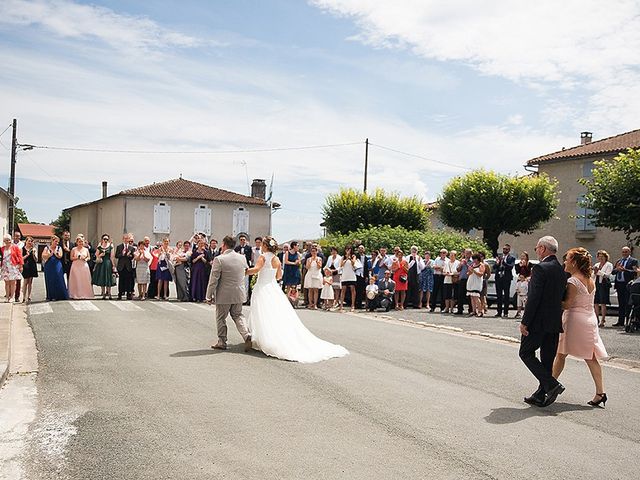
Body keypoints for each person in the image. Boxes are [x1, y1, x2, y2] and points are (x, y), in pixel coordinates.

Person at [245, 236, 349, 363]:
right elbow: (278, 276)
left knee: (261, 312)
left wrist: (243, 272)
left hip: (262, 287)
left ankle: (263, 339)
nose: (261, 246)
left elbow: (255, 270)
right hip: (273, 288)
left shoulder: (263, 257)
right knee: (274, 313)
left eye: (262, 244)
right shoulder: (276, 259)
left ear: (265, 246)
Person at [552, 247, 608, 407]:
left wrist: (551, 300)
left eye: (567, 259)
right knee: (590, 357)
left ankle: (549, 385)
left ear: (574, 263)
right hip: (590, 318)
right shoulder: (590, 279)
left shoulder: (573, 280)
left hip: (574, 320)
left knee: (561, 354)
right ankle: (600, 392)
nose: (565, 262)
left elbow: (567, 304)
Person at [518, 235, 567, 408]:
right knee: (547, 359)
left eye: (537, 248)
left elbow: (534, 298)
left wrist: (525, 322)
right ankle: (540, 394)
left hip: (537, 321)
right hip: (554, 322)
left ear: (543, 249)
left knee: (525, 353)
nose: (536, 251)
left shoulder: (540, 269)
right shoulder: (562, 271)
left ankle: (552, 385)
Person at [205, 235, 252, 351]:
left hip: (224, 293)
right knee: (238, 315)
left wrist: (208, 295)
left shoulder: (219, 259)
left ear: (224, 245)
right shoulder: (242, 258)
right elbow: (245, 271)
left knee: (221, 318)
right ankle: (246, 335)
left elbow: (213, 279)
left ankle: (222, 341)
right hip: (238, 292)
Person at [612, 246, 638, 327]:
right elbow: (613, 272)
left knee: (628, 304)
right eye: (623, 252)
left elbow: (635, 272)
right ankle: (620, 321)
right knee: (621, 304)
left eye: (626, 252)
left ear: (629, 252)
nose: (624, 253)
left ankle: (627, 322)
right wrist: (617, 269)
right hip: (619, 284)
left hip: (628, 285)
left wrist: (624, 270)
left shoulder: (633, 261)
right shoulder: (619, 261)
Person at [42, 235, 68, 301]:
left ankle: (60, 295)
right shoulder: (47, 248)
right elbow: (43, 256)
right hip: (49, 265)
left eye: (58, 242)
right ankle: (50, 296)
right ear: (52, 241)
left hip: (57, 265)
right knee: (49, 280)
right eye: (55, 241)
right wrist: (49, 255)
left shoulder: (59, 248)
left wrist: (56, 254)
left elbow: (60, 256)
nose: (57, 243)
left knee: (58, 279)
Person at [494, 244, 516, 318]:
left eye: (506, 249)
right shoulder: (500, 257)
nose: (504, 250)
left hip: (506, 278)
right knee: (499, 295)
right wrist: (497, 263)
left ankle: (506, 312)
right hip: (499, 278)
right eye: (503, 249)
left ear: (509, 250)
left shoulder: (511, 258)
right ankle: (499, 312)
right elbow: (495, 267)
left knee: (506, 295)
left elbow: (510, 267)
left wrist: (503, 263)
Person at [92, 234, 116, 300]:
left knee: (108, 278)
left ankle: (109, 293)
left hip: (108, 263)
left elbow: (112, 256)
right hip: (101, 263)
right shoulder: (99, 247)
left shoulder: (111, 246)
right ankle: (103, 293)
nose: (105, 240)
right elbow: (96, 255)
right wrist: (100, 255)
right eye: (104, 239)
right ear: (102, 239)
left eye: (107, 239)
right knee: (102, 277)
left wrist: (113, 265)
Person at [593, 250, 613, 327]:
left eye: (602, 256)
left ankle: (603, 319)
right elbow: (593, 275)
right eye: (599, 256)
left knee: (603, 302)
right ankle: (596, 319)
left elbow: (607, 275)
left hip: (604, 285)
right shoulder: (596, 264)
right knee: (596, 303)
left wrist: (598, 272)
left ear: (605, 257)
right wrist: (595, 272)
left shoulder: (609, 265)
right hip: (596, 284)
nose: (600, 258)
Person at [1, 234, 24, 302]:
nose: (8, 241)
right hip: (5, 267)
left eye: (9, 240)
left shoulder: (15, 247)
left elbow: (20, 256)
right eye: (7, 240)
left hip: (13, 267)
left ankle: (12, 297)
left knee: (13, 283)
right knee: (7, 283)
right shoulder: (2, 248)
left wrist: (21, 265)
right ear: (4, 241)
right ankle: (7, 297)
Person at [116, 234, 136, 300]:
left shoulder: (131, 248)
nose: (126, 240)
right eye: (125, 238)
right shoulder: (119, 247)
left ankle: (128, 294)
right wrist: (122, 254)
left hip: (128, 266)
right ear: (123, 239)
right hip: (121, 266)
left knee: (128, 280)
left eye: (127, 239)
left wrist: (129, 255)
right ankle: (120, 293)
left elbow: (133, 257)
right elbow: (116, 255)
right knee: (121, 280)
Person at [339, 246, 357, 312]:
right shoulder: (343, 257)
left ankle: (352, 305)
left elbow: (353, 263)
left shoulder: (353, 256)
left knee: (352, 289)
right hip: (345, 275)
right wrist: (346, 258)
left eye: (349, 249)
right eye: (347, 249)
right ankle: (341, 305)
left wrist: (350, 258)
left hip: (351, 275)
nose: (348, 250)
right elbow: (341, 265)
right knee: (343, 289)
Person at [21, 236, 38, 303]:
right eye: (29, 241)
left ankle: (29, 296)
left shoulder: (34, 249)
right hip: (25, 266)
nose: (30, 242)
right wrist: (27, 255)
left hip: (32, 266)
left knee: (30, 282)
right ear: (26, 241)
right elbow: (21, 259)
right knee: (25, 282)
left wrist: (33, 254)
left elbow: (36, 260)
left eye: (31, 241)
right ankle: (23, 297)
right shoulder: (23, 249)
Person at [355, 244, 369, 309]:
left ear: (364, 249)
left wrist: (366, 276)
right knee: (356, 289)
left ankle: (360, 304)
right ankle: (355, 303)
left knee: (362, 290)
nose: (361, 249)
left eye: (362, 248)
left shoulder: (366, 257)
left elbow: (366, 267)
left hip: (363, 275)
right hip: (357, 274)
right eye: (359, 248)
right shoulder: (356, 256)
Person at [12, 230, 24, 302]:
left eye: (18, 236)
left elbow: (21, 255)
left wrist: (21, 265)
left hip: (19, 264)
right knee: (11, 280)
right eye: (16, 236)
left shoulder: (22, 244)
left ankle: (17, 296)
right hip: (11, 264)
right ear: (13, 236)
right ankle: (10, 294)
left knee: (18, 281)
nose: (17, 237)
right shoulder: (10, 244)